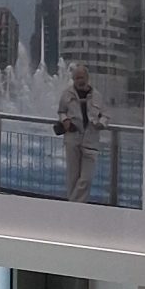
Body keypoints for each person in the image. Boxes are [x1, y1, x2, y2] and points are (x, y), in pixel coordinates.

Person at [54, 61, 110, 201]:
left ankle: (72, 205)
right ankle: (76, 208)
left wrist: (101, 123)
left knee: (86, 178)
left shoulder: (97, 95)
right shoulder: (67, 94)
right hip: (72, 139)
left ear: (87, 78)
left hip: (91, 140)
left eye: (82, 77)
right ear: (73, 79)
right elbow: (61, 111)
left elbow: (105, 114)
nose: (80, 81)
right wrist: (65, 120)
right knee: (72, 177)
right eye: (77, 78)